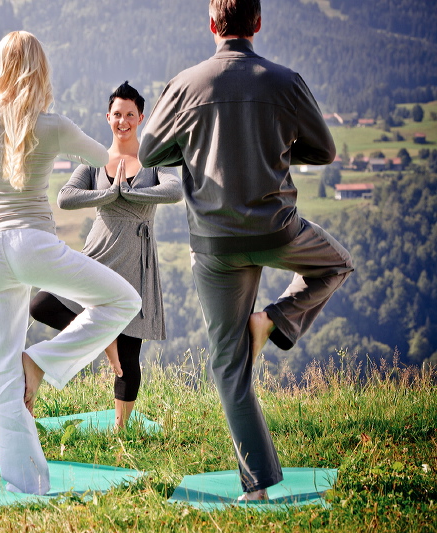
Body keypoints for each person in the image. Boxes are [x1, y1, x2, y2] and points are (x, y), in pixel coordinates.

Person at [139, 0, 354, 500]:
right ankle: (274, 319)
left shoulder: (184, 84)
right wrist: (273, 143)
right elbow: (324, 150)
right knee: (337, 263)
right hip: (277, 230)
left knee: (228, 366)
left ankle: (256, 485)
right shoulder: (285, 81)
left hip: (213, 243)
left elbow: (150, 152)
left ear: (212, 24)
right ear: (257, 24)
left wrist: (195, 146)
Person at [0, 31, 141, 495]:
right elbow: (113, 161)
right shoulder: (53, 126)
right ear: (42, 71)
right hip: (33, 242)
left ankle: (26, 485)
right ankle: (40, 363)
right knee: (122, 301)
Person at [29, 82, 183, 429]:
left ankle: (121, 430)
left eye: (130, 114)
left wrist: (126, 194)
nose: (123, 121)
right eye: (117, 114)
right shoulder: (97, 160)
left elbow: (174, 190)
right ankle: (103, 337)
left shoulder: (153, 159)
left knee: (129, 356)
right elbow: (65, 197)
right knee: (41, 304)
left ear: (141, 117)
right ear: (107, 117)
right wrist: (107, 196)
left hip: (136, 262)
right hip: (96, 255)